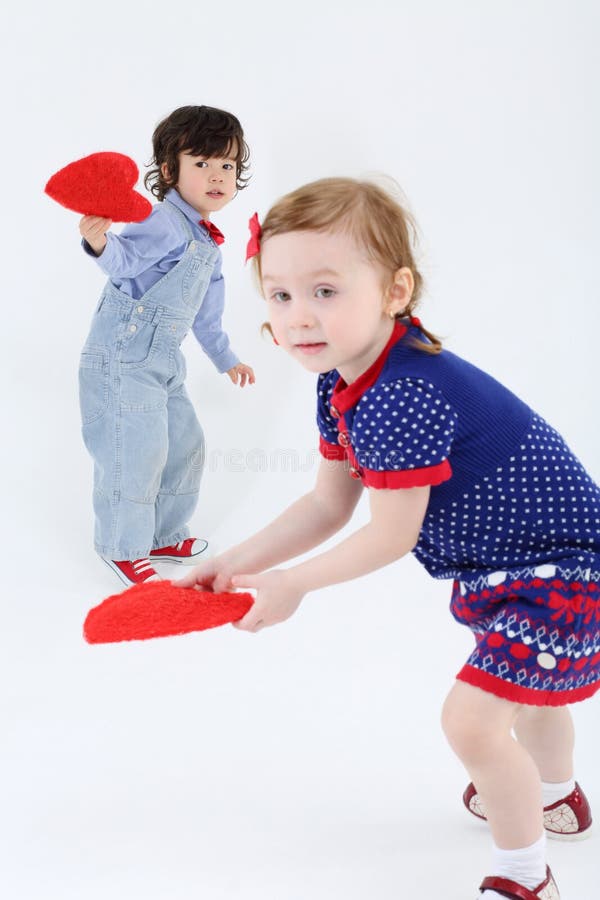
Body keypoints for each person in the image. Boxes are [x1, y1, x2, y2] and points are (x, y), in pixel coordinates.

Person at [180, 177, 599, 899]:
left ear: (395, 290)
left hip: (568, 577)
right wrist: (231, 564)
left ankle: (527, 877)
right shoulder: (345, 379)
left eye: (325, 291)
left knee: (471, 723)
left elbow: (391, 535)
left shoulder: (401, 394)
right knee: (528, 698)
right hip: (512, 571)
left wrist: (290, 586)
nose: (298, 317)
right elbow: (326, 504)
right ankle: (555, 797)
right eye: (278, 296)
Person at [78, 105, 255, 587]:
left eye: (228, 166)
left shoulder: (207, 243)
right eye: (202, 163)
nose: (218, 175)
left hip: (162, 362)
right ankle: (122, 545)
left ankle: (162, 534)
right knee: (134, 449)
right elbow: (125, 259)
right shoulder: (164, 222)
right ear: (171, 170)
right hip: (123, 355)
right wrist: (99, 245)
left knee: (183, 444)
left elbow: (206, 315)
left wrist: (226, 359)